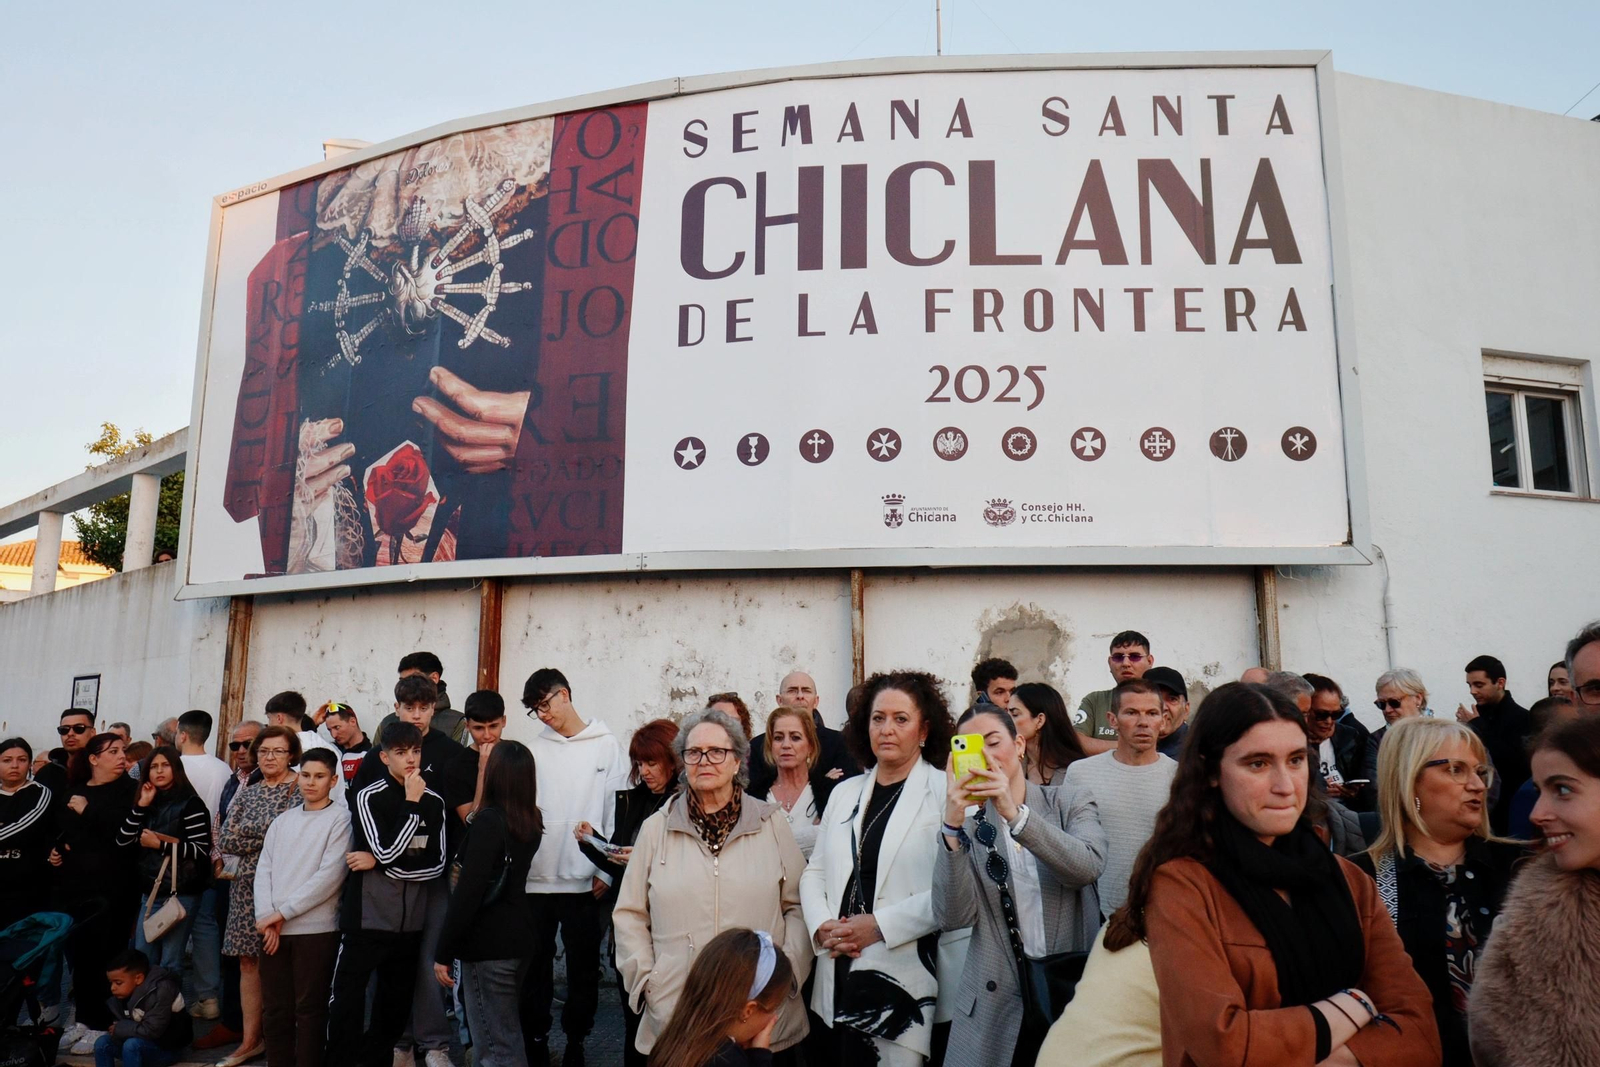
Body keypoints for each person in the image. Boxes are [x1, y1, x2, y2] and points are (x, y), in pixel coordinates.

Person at [1120, 682, 1439, 1067]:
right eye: (1257, 763)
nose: (1285, 786)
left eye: (1295, 760)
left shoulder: (1349, 880)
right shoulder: (1182, 886)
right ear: (1210, 771)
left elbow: (1420, 1034)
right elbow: (1223, 1045)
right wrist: (1352, 1006)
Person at [613, 708, 811, 1064]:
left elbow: (798, 905)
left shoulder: (770, 824)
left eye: (717, 752)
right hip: (677, 1018)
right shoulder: (657, 829)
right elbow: (629, 915)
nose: (705, 761)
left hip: (761, 1020)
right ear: (683, 762)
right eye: (694, 752)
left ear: (737, 761)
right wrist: (649, 985)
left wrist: (787, 976)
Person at [800, 671, 969, 1067]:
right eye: (878, 718)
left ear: (924, 729)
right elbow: (816, 873)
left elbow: (959, 888)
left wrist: (880, 925)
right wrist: (822, 926)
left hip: (904, 972)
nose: (887, 729)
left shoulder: (947, 792)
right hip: (839, 960)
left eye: (900, 719)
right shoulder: (845, 793)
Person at [932, 704, 1106, 1067]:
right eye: (971, 747)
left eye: (993, 743)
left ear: (1020, 745)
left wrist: (1015, 815)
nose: (985, 756)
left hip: (1069, 990)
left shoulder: (1068, 801)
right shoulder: (965, 827)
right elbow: (952, 916)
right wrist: (950, 827)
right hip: (994, 1003)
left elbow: (1086, 867)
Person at [1350, 717, 1522, 1066]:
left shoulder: (1521, 868)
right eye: (1456, 770)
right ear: (1409, 780)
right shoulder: (1362, 879)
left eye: (1480, 772)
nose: (1477, 785)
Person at [1469, 713, 1600, 1065]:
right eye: (1539, 790)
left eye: (1562, 789)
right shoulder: (1532, 926)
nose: (1537, 813)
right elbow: (1488, 1043)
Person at [351, 677, 463, 1067]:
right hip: (383, 884)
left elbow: (455, 814)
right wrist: (377, 857)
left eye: (424, 707)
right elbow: (361, 814)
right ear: (396, 707)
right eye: (408, 707)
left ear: (435, 708)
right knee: (388, 965)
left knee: (428, 959)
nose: (416, 715)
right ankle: (397, 1041)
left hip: (431, 873)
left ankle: (434, 1044)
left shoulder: (449, 751)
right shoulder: (375, 755)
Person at [520, 668, 629, 1067]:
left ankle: (577, 1043)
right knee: (536, 969)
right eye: (535, 710)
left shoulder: (606, 746)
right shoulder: (534, 750)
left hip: (585, 879)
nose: (543, 715)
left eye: (545, 704)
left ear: (564, 694)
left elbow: (615, 809)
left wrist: (605, 870)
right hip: (537, 879)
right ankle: (536, 1037)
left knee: (584, 970)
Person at [325, 721, 448, 1067]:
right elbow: (389, 851)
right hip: (367, 918)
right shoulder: (368, 796)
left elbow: (435, 866)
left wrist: (380, 863)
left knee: (393, 1009)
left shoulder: (435, 801)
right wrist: (410, 804)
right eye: (400, 752)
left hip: (409, 926)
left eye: (416, 751)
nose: (410, 759)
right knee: (347, 1001)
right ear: (384, 757)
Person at [434, 741, 544, 1067]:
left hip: (487, 945)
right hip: (520, 937)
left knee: (493, 1047)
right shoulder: (530, 818)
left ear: (495, 774)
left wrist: (443, 951)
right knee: (508, 1037)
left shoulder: (489, 823)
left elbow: (468, 892)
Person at [576, 718, 679, 1067]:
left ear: (672, 760)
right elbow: (622, 859)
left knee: (669, 1026)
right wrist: (594, 844)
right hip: (631, 928)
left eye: (652, 762)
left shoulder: (684, 803)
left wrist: (645, 859)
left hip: (669, 929)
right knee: (633, 1021)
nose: (645, 771)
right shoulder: (632, 800)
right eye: (639, 763)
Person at [253, 749, 350, 1067]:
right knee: (276, 1010)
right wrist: (265, 917)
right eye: (305, 775)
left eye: (319, 776)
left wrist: (281, 914)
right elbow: (263, 869)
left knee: (309, 1009)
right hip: (273, 932)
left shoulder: (341, 820)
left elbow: (329, 877)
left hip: (315, 931)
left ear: (333, 780)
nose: (310, 782)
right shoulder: (283, 821)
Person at [217, 724, 302, 1067]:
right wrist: (267, 833)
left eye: (278, 751)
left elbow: (294, 837)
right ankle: (251, 1039)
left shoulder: (300, 788)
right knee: (248, 962)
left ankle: (285, 1040)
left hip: (285, 887)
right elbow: (226, 839)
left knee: (284, 963)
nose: (269, 757)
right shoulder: (249, 791)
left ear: (291, 754)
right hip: (243, 889)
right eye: (264, 751)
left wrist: (254, 835)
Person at [1060, 679, 1177, 918]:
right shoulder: (1081, 773)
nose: (1143, 722)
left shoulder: (1180, 778)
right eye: (1132, 713)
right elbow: (1068, 847)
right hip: (1094, 916)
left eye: (1152, 713)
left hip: (1162, 914)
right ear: (1113, 720)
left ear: (1164, 719)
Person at [53, 731, 139, 1056]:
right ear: (93, 758)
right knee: (81, 956)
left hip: (115, 889)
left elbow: (121, 839)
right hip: (77, 888)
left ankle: (104, 1023)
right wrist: (57, 849)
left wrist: (89, 814)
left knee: (108, 955)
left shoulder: (129, 792)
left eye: (123, 751)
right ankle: (84, 1020)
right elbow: (65, 833)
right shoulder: (75, 791)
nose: (121, 757)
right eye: (113, 751)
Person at [195, 720, 262, 1052]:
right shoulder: (231, 781)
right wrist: (218, 857)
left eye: (246, 744)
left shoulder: (273, 781)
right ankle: (235, 1023)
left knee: (257, 958)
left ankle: (253, 1028)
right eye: (234, 745)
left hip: (259, 880)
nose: (239, 751)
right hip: (227, 877)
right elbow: (219, 825)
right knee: (231, 953)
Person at [119, 746, 212, 978]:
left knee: (171, 960)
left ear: (176, 769)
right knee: (143, 954)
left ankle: (168, 1013)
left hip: (180, 891)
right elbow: (123, 841)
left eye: (165, 765)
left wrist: (159, 845)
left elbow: (201, 850)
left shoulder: (191, 804)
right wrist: (140, 807)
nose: (159, 771)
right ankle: (149, 1008)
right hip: (150, 892)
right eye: (153, 766)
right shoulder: (148, 803)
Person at [646, 928, 796, 1067]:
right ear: (748, 1010)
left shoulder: (675, 1040)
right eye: (773, 1008)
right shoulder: (729, 1060)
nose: (773, 1018)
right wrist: (760, 1057)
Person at [176, 710, 231, 1020]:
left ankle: (165, 1000)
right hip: (212, 856)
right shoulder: (223, 769)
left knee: (169, 925)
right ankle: (208, 997)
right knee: (206, 925)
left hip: (175, 856)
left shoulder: (173, 766)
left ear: (183, 734)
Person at [747, 706, 838, 860]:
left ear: (810, 746)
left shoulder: (832, 795)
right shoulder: (752, 797)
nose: (786, 745)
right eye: (778, 738)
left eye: (795, 737)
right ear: (770, 746)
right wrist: (811, 836)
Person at [747, 671, 857, 798]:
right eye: (792, 691)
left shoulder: (840, 742)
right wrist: (825, 780)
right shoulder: (757, 746)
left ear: (816, 701)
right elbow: (754, 790)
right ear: (779, 700)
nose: (800, 696)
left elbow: (845, 787)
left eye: (806, 690)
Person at [1457, 655, 1533, 831]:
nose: (1472, 691)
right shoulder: (1479, 717)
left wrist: (1477, 726)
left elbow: (1513, 763)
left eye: (1479, 685)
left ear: (1500, 683)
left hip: (1510, 813)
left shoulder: (1523, 718)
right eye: (1470, 685)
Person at [95, 948, 193, 1067]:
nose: (113, 988)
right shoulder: (122, 994)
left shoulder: (162, 989)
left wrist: (120, 1028)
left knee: (131, 1045)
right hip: (138, 1044)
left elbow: (152, 1030)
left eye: (118, 983)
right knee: (102, 1043)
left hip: (167, 1049)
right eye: (111, 983)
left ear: (138, 978)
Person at [0, 737, 54, 927]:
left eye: (21, 760)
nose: (14, 765)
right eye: (7, 760)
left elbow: (24, 826)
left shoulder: (39, 793)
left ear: (30, 764)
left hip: (23, 890)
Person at [1508, 696, 1580, 837]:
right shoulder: (1528, 794)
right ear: (1548, 733)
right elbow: (1522, 850)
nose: (1580, 733)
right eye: (1573, 726)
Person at [1075, 631, 1155, 755]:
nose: (1126, 664)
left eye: (1134, 657)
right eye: (1118, 657)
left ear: (1149, 661)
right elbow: (1077, 742)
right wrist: (1131, 745)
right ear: (1109, 662)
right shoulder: (1094, 700)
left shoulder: (1160, 700)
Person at [1302, 674, 1374, 811]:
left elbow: (1367, 785)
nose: (1329, 721)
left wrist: (1354, 792)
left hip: (1348, 812)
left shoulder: (1350, 736)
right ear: (1306, 711)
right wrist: (1318, 792)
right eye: (1321, 715)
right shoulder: (1292, 742)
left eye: (1336, 715)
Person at [263, 692, 345, 806]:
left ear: (279, 718)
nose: (269, 725)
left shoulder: (283, 752)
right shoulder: (329, 747)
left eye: (269, 718)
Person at [444, 690, 510, 826]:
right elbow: (472, 822)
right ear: (467, 726)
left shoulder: (514, 756)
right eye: (479, 728)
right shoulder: (456, 766)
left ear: (503, 721)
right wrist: (483, 770)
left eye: (493, 726)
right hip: (472, 845)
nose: (487, 735)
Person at [374, 652, 467, 744]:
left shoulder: (455, 721)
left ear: (434, 678)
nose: (416, 716)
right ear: (397, 708)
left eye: (414, 678)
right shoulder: (387, 722)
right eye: (402, 681)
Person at [1006, 682, 1086, 785]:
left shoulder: (1076, 771)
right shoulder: (1012, 766)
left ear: (1039, 720)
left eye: (1015, 714)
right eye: (1006, 714)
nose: (1006, 721)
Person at [1364, 667, 1430, 783]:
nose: (1387, 710)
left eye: (1394, 702)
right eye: (1382, 704)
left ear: (1418, 699)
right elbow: (1374, 787)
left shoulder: (1441, 734)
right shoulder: (1377, 740)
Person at [35, 707, 96, 799]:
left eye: (79, 728)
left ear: (92, 732)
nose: (70, 733)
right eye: (64, 729)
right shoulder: (47, 773)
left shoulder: (103, 769)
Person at [1143, 667, 1192, 759]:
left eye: (1172, 699)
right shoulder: (1126, 753)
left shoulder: (1199, 755)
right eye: (1153, 698)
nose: (1163, 707)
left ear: (1186, 709)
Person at [322, 703, 370, 783]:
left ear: (353, 721)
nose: (333, 735)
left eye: (337, 727)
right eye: (329, 730)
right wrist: (313, 724)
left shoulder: (370, 754)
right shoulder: (330, 750)